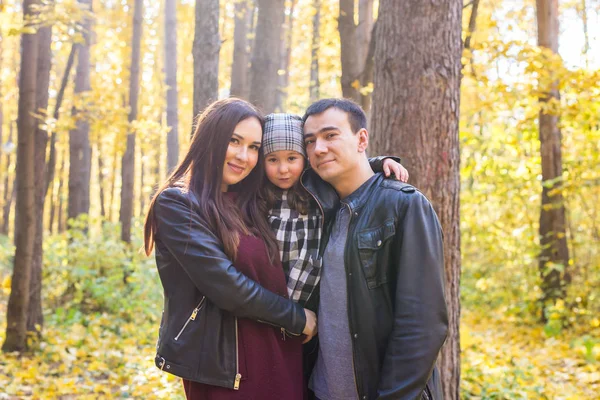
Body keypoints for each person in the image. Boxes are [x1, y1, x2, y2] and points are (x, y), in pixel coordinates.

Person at [143, 98, 317, 400]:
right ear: (210, 138)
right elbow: (227, 287)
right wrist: (299, 318)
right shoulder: (178, 204)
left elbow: (317, 169)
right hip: (228, 372)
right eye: (234, 141)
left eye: (254, 147)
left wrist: (375, 165)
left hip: (282, 355)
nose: (243, 156)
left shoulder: (254, 200)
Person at [301, 99, 449, 400]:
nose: (318, 149)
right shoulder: (317, 209)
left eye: (331, 135)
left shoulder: (404, 205)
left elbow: (423, 325)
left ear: (361, 139)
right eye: (310, 141)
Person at [260, 113, 408, 307]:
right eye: (272, 160)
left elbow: (347, 168)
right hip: (270, 300)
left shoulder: (317, 186)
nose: (283, 169)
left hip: (309, 299)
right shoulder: (258, 196)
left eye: (291, 158)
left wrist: (379, 163)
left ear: (305, 159)